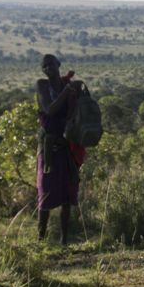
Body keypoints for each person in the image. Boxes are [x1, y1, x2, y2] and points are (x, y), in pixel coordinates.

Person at [35, 54, 84, 245]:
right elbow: (49, 109)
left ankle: (64, 241)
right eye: (44, 66)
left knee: (67, 195)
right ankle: (40, 240)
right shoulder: (42, 86)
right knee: (45, 193)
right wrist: (67, 91)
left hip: (66, 145)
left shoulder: (68, 87)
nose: (48, 69)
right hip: (48, 147)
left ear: (58, 65)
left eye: (51, 65)